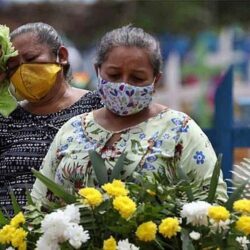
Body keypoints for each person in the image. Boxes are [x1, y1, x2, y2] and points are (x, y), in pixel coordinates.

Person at [31, 25, 228, 204]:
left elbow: (212, 203)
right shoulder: (72, 130)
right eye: (114, 75)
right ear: (97, 71)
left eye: (137, 78)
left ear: (156, 80)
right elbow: (39, 204)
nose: (124, 85)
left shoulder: (179, 130)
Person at [0, 22, 102, 215]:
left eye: (31, 58)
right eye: (13, 66)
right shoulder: (6, 119)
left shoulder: (96, 108)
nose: (23, 71)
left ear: (61, 56)